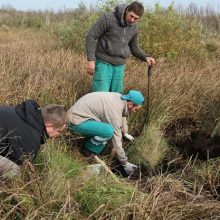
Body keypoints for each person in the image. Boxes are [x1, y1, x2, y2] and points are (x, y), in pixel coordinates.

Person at [67, 90, 144, 175]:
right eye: (136, 109)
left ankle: (91, 144)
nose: (135, 112)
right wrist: (124, 163)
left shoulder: (120, 99)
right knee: (108, 131)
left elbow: (122, 116)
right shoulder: (114, 111)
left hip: (83, 117)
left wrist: (125, 132)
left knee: (107, 130)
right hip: (76, 121)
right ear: (130, 104)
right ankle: (88, 151)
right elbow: (116, 138)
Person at [86, 1, 155, 93]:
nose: (132, 20)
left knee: (116, 97)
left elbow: (134, 47)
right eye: (131, 16)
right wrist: (91, 60)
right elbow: (91, 36)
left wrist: (145, 57)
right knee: (101, 96)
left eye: (136, 18)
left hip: (120, 66)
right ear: (127, 10)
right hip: (103, 63)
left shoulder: (134, 28)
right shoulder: (108, 18)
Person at [0, 100, 67, 178]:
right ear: (49, 126)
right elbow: (25, 166)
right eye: (59, 131)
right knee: (16, 172)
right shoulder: (32, 138)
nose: (58, 135)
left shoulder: (25, 113)